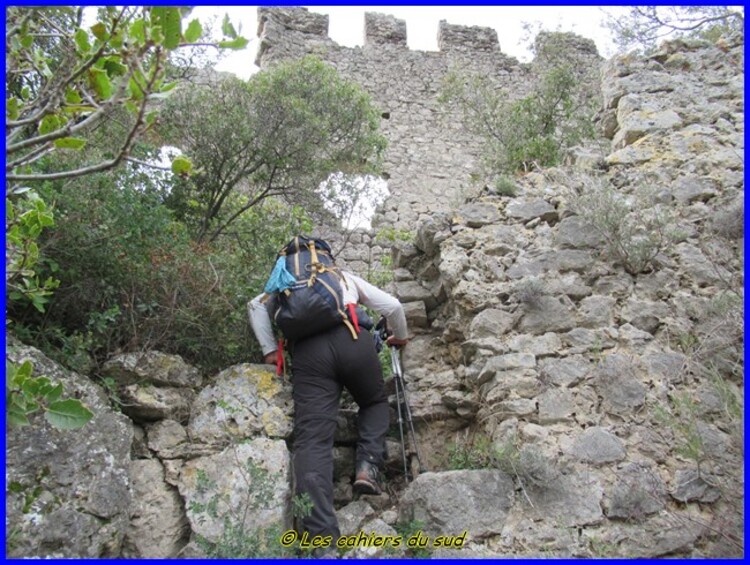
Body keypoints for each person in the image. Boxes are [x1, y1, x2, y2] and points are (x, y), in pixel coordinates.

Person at [247, 252, 409, 551]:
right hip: (354, 341)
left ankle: (323, 540)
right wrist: (399, 337)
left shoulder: (283, 284)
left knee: (312, 441)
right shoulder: (340, 276)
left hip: (309, 356)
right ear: (323, 256)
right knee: (374, 402)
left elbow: (255, 307)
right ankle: (366, 467)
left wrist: (270, 350)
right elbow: (394, 306)